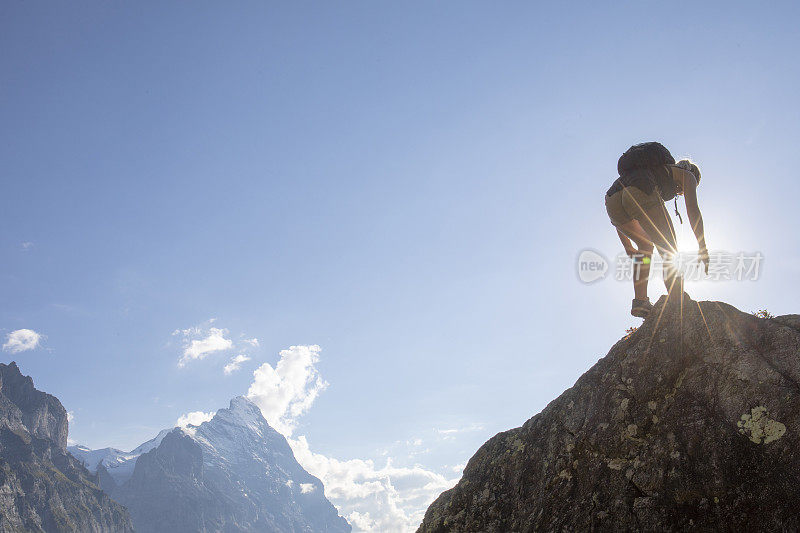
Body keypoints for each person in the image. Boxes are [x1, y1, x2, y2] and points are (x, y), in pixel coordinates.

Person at [605, 142, 708, 318]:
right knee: (668, 247)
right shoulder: (687, 175)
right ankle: (677, 299)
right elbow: (693, 211)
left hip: (611, 198)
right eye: (682, 191)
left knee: (645, 247)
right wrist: (702, 246)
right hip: (640, 190)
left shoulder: (650, 171)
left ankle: (640, 302)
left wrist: (628, 247)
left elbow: (623, 211)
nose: (681, 193)